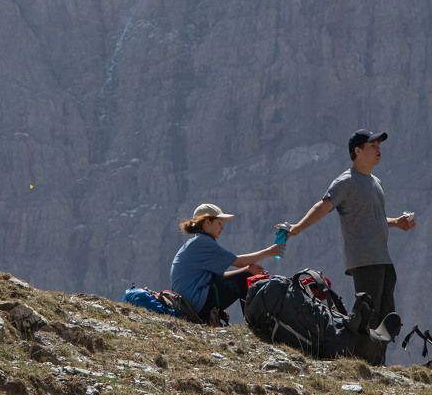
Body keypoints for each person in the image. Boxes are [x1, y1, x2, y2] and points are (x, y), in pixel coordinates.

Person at [286, 129, 415, 329]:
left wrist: (397, 222)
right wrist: (298, 227)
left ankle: (377, 358)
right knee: (367, 315)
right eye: (372, 146)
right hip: (365, 259)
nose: (378, 149)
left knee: (386, 318)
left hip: (382, 258)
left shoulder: (375, 182)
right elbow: (323, 206)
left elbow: (375, 219)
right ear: (358, 151)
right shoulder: (346, 182)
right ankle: (359, 356)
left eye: (379, 145)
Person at [170, 202, 284, 324]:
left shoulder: (195, 243)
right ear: (207, 222)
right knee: (246, 279)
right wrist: (270, 251)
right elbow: (238, 261)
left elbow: (218, 277)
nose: (222, 227)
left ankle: (255, 323)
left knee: (246, 275)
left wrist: (247, 270)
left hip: (190, 305)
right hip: (197, 304)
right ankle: (255, 325)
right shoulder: (203, 243)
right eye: (219, 223)